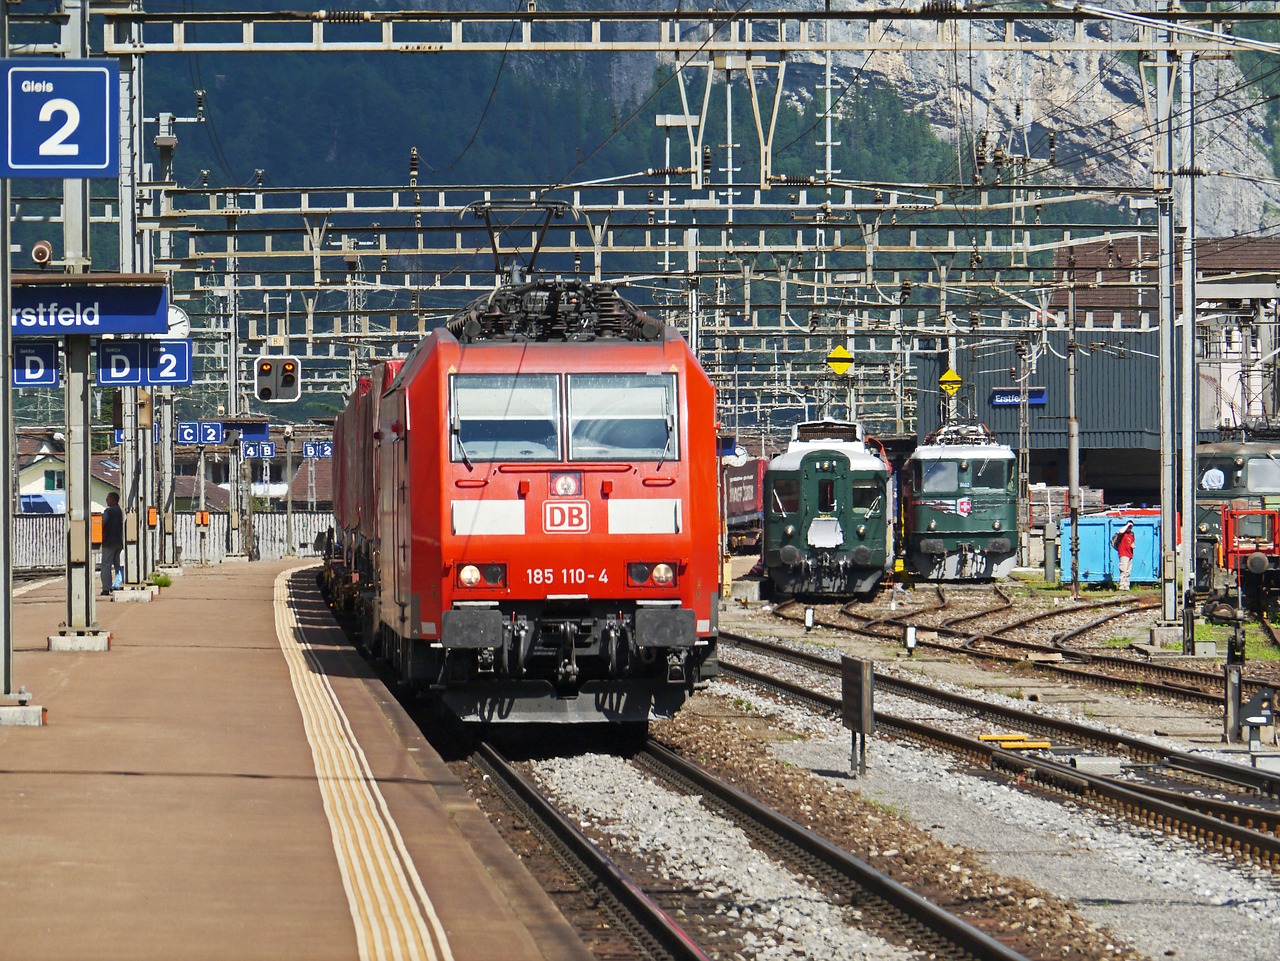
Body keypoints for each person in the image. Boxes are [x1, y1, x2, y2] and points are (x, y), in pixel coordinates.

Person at [100, 491, 124, 596]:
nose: (106, 500)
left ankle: (106, 588)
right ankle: (118, 584)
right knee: (117, 564)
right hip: (118, 542)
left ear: (113, 500)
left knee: (106, 565)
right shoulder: (120, 511)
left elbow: (102, 523)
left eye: (108, 498)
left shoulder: (108, 511)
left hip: (108, 542)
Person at [1114, 521, 1135, 591]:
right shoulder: (1122, 534)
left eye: (1131, 526)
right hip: (1123, 554)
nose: (1130, 528)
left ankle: (1126, 585)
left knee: (1128, 571)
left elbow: (1132, 541)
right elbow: (1120, 531)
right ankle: (1122, 586)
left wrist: (1133, 545)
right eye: (1129, 526)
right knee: (1123, 570)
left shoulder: (1132, 534)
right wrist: (1127, 525)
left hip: (1130, 554)